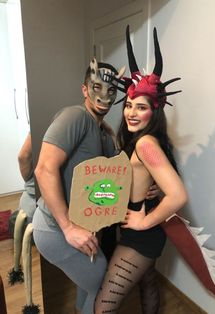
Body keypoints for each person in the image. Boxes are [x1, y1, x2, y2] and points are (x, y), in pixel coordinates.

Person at [32, 59, 158, 314]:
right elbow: (44, 169)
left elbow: (114, 178)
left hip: (85, 230)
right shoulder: (75, 116)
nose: (105, 96)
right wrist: (68, 228)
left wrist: (147, 187)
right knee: (102, 283)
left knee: (90, 286)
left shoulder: (104, 132)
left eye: (111, 91)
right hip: (57, 229)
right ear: (84, 89)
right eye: (96, 87)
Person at [94, 26, 188, 314]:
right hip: (141, 227)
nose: (131, 112)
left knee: (103, 308)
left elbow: (178, 195)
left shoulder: (146, 143)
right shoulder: (146, 139)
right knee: (147, 282)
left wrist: (143, 222)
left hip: (143, 233)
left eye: (141, 107)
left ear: (154, 110)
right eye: (129, 105)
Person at [8, 133, 36, 285]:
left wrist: (30, 183)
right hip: (35, 209)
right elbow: (22, 156)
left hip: (28, 204)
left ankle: (16, 272)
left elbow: (23, 157)